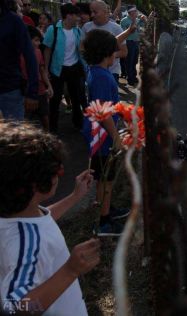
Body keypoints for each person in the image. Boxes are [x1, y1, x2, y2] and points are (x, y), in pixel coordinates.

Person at [0, 121, 100, 316]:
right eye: (55, 170)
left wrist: (74, 197)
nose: (59, 174)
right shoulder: (26, 243)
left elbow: (41, 222)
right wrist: (70, 270)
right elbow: (15, 309)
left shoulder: (19, 215)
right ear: (34, 185)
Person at [82, 29, 129, 236]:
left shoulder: (97, 70)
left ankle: (107, 210)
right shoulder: (101, 76)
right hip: (102, 136)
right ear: (105, 53)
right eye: (113, 52)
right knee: (105, 179)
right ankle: (103, 222)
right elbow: (102, 111)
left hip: (101, 134)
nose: (116, 55)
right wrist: (117, 137)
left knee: (106, 177)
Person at [43, 3, 86, 132]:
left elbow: (81, 50)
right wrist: (46, 69)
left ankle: (78, 124)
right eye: (76, 16)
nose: (78, 18)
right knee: (55, 99)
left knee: (76, 97)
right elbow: (47, 50)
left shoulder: (77, 30)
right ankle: (53, 128)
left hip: (74, 68)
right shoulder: (53, 29)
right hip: (57, 69)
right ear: (68, 16)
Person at [0, 0, 38, 120]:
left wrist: (32, 92)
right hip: (10, 90)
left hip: (10, 91)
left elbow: (30, 57)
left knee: (14, 136)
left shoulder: (14, 21)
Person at [82, 0, 129, 82]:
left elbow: (124, 52)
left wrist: (104, 56)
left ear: (105, 12)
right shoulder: (86, 27)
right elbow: (82, 48)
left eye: (95, 12)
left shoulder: (116, 28)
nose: (92, 15)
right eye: (91, 12)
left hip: (111, 72)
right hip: (91, 71)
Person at [26, 25, 53, 130]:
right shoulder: (18, 55)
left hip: (40, 90)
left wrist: (49, 86)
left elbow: (42, 70)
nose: (39, 43)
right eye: (36, 40)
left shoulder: (38, 52)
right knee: (26, 120)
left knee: (45, 116)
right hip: (26, 92)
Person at [120, 5, 145, 87]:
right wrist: (135, 21)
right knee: (129, 61)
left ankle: (133, 77)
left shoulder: (137, 20)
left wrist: (143, 19)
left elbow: (143, 25)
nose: (137, 12)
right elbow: (124, 33)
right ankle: (130, 79)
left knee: (134, 61)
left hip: (136, 42)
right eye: (135, 11)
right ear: (131, 12)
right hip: (128, 42)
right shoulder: (124, 21)